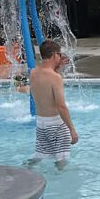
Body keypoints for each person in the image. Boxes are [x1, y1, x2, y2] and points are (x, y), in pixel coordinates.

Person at [27, 40, 78, 170]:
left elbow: (44, 91)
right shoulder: (55, 77)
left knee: (39, 156)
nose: (60, 57)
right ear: (55, 54)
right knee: (62, 161)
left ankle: (23, 172)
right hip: (56, 125)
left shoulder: (33, 72)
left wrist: (57, 68)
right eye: (59, 54)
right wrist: (72, 129)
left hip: (41, 124)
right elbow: (61, 106)